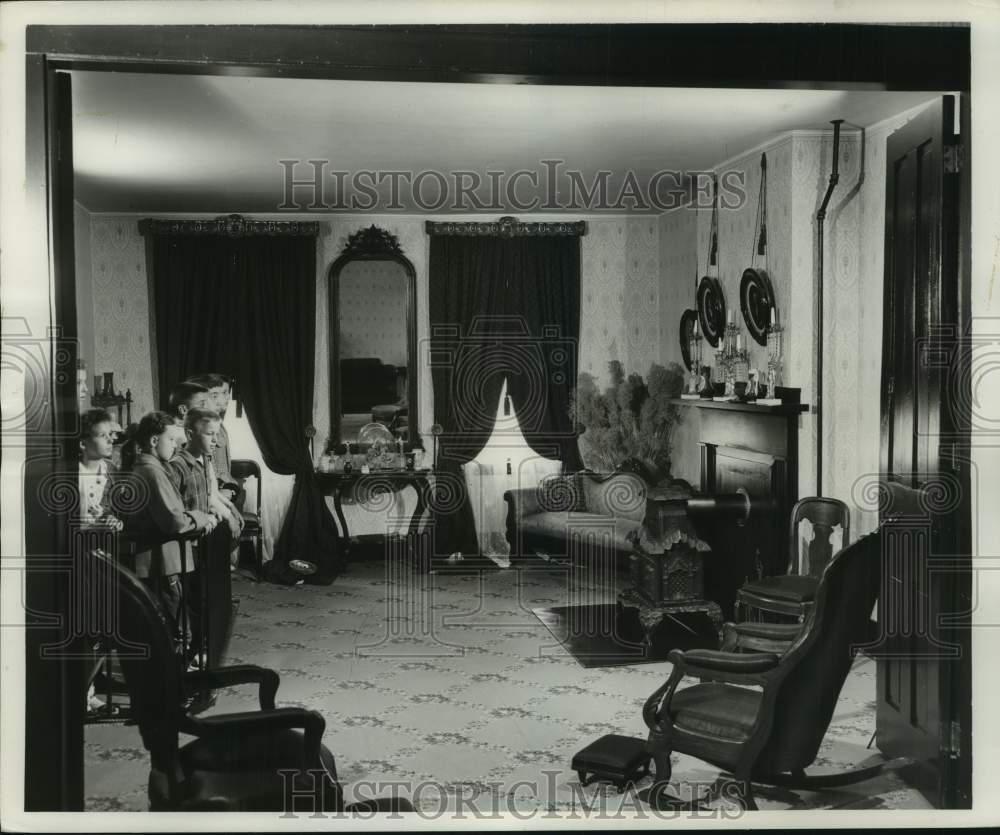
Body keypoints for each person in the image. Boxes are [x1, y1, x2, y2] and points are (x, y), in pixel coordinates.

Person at [124, 411, 218, 654]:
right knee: (176, 628)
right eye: (171, 440)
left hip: (162, 560)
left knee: (168, 625)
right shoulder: (152, 472)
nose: (176, 446)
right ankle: (177, 685)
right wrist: (201, 517)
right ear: (154, 441)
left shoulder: (151, 468)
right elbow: (175, 521)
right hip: (163, 563)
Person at [186, 373, 242, 507]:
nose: (227, 397)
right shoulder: (200, 428)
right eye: (217, 394)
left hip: (223, 490)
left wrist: (231, 489)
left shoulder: (220, 426)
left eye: (227, 392)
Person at [78, 408, 123, 531]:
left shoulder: (110, 469)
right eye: (103, 435)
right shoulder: (74, 473)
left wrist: (111, 519)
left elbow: (116, 509)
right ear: (83, 444)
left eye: (110, 434)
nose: (111, 439)